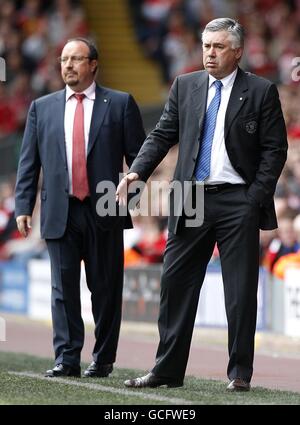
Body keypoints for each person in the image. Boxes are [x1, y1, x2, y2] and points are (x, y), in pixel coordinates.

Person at [116, 18, 287, 391]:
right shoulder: (186, 85)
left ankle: (240, 373)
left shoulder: (260, 91)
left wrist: (253, 197)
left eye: (219, 47)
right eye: (207, 45)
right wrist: (137, 172)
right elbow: (163, 133)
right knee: (174, 286)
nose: (210, 53)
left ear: (237, 51)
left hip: (237, 199)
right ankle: (166, 370)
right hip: (190, 197)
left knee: (240, 292)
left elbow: (275, 150)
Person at [15, 37, 145, 378]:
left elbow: (140, 159)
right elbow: (29, 162)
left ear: (93, 65)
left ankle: (102, 358)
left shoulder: (119, 104)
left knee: (105, 289)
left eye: (76, 59)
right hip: (60, 210)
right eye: (64, 59)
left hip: (106, 207)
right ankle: (67, 358)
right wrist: (23, 205)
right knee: (62, 289)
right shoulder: (41, 108)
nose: (68, 65)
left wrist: (129, 199)